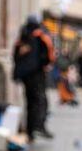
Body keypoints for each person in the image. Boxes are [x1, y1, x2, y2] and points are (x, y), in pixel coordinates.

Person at [12, 14, 56, 142]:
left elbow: (15, 56)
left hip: (26, 75)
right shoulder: (41, 36)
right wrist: (45, 65)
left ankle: (31, 131)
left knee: (30, 102)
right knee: (40, 101)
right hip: (37, 74)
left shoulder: (23, 37)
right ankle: (38, 126)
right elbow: (49, 55)